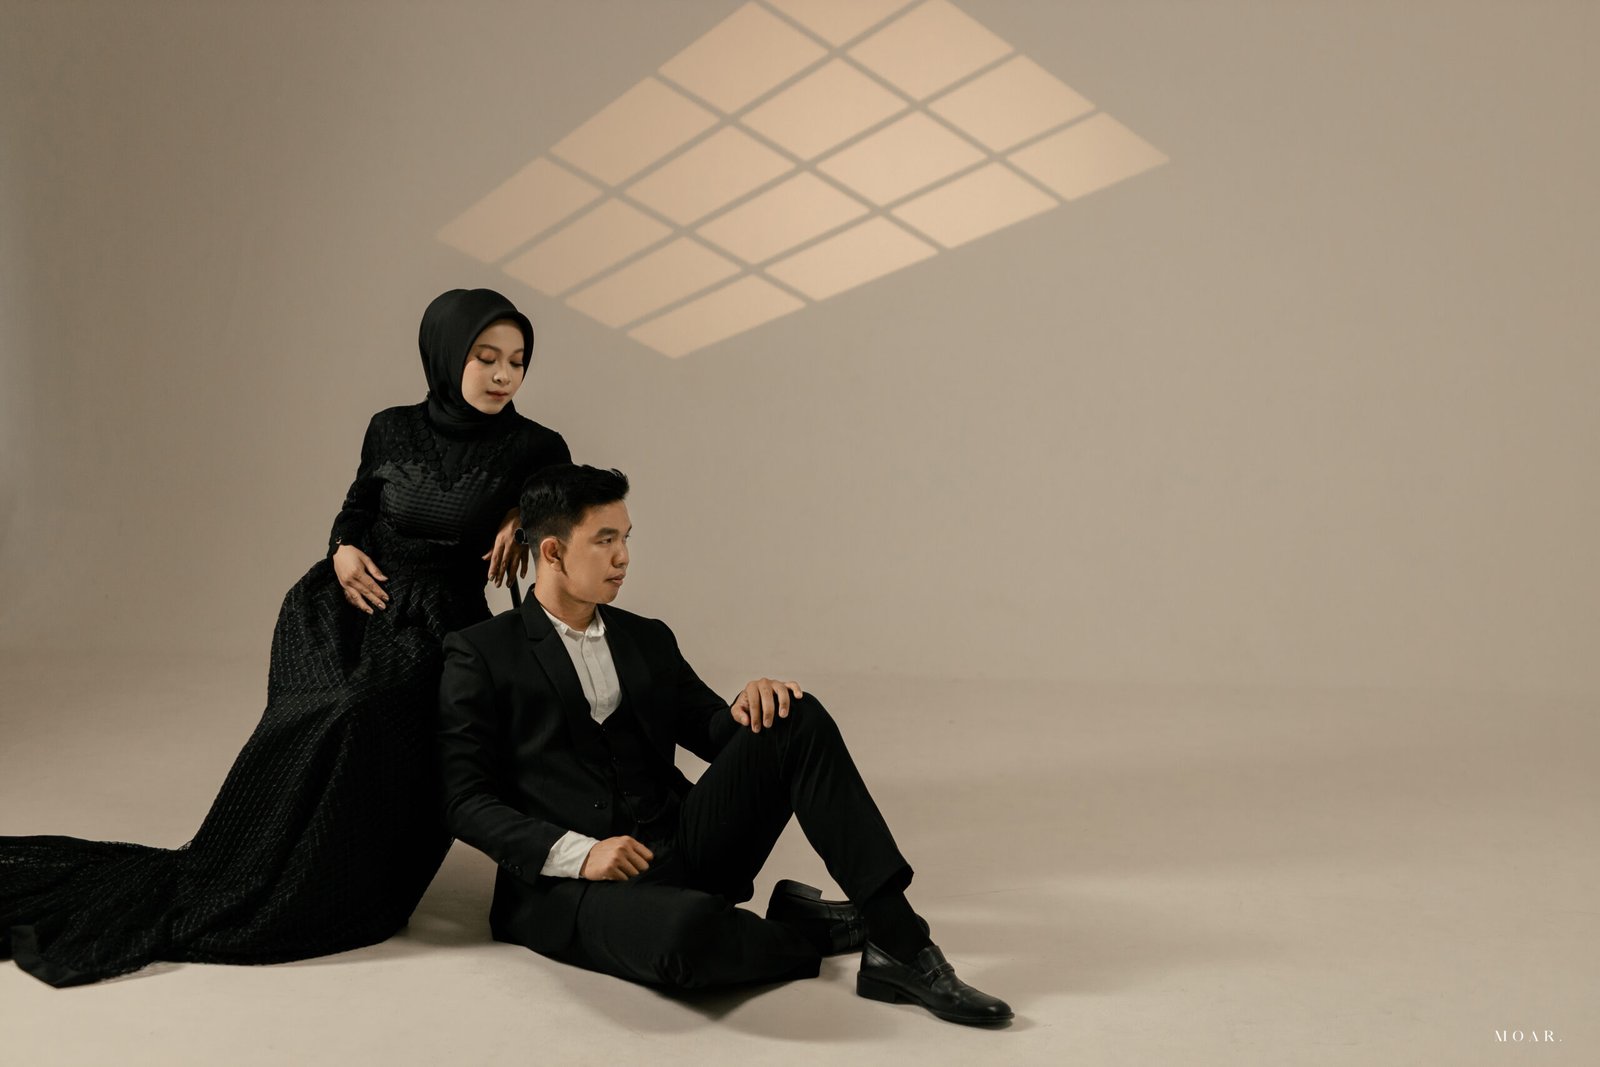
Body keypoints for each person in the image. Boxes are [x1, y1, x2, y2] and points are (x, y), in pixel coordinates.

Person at [0, 288, 571, 987]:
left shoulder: (537, 447)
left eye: (517, 361)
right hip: (349, 601)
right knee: (314, 711)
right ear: (448, 355)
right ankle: (259, 859)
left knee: (359, 710)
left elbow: (566, 510)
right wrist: (342, 550)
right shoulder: (390, 427)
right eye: (486, 357)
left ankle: (333, 876)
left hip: (442, 623)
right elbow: (357, 508)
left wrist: (525, 514)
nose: (504, 374)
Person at [437, 465, 1012, 1026]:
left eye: (627, 538)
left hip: (684, 849)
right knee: (683, 937)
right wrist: (582, 853)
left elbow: (712, 730)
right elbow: (465, 801)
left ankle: (900, 941)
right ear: (554, 552)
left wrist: (749, 706)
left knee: (794, 714)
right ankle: (803, 928)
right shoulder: (481, 653)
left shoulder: (646, 637)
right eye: (605, 540)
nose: (623, 557)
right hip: (577, 886)